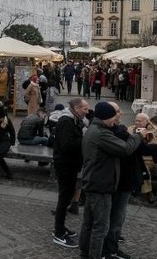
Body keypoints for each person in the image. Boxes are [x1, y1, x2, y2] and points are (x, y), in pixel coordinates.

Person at [79, 102, 144, 259]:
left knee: (89, 222)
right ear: (106, 117)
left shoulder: (93, 129)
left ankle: (85, 251)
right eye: (113, 116)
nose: (115, 119)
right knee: (101, 226)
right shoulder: (102, 133)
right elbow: (124, 148)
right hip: (101, 184)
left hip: (91, 181)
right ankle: (93, 255)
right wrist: (139, 135)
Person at [52, 97, 89, 249]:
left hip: (71, 164)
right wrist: (84, 139)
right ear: (76, 108)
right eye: (85, 109)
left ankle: (60, 227)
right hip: (65, 165)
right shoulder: (66, 121)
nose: (87, 112)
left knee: (66, 198)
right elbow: (66, 145)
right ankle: (59, 233)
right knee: (64, 198)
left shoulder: (74, 119)